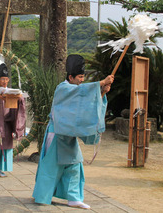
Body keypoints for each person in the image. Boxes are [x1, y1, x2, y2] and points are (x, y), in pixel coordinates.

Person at [32, 54, 114, 209]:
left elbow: (85, 106)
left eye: (83, 77)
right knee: (51, 166)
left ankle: (74, 198)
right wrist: (101, 83)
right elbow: (80, 93)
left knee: (75, 164)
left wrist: (101, 92)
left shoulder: (76, 89)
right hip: (56, 133)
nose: (82, 80)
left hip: (68, 135)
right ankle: (42, 195)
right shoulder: (62, 88)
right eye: (80, 77)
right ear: (70, 77)